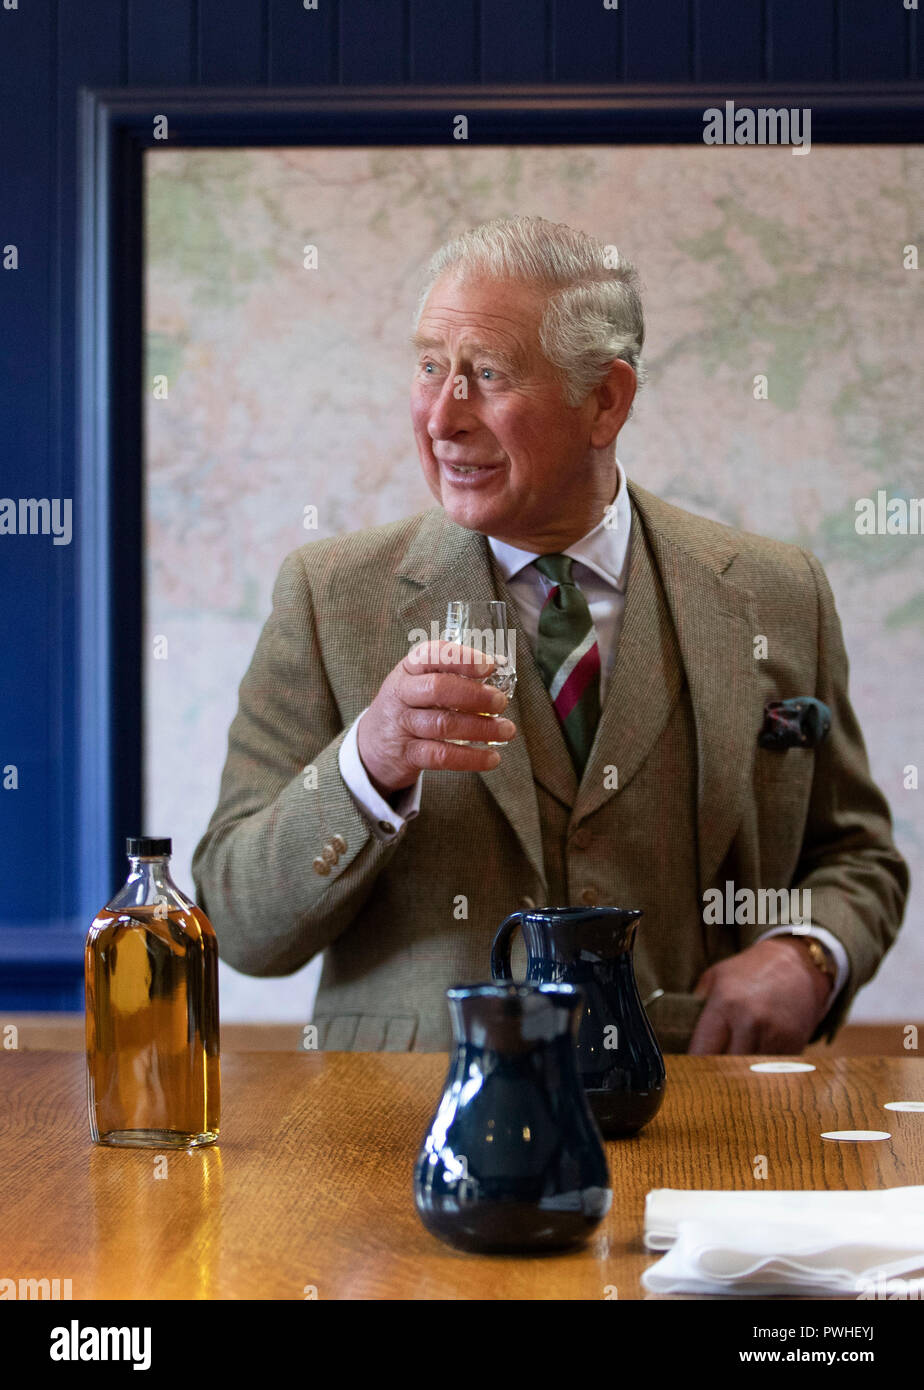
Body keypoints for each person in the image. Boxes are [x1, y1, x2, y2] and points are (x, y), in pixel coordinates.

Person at [192, 215, 908, 1055]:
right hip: (407, 1143)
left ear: (606, 400)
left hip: (707, 1123)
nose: (442, 418)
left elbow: (858, 859)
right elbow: (238, 925)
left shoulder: (781, 595)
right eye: (431, 368)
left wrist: (808, 954)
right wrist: (368, 765)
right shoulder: (329, 597)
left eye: (487, 375)